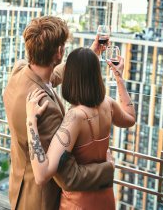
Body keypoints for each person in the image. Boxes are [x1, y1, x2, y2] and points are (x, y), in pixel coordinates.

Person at [3, 16, 114, 210]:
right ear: (60, 52)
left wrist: (91, 52)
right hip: (39, 201)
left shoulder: (19, 71)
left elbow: (51, 77)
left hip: (18, 186)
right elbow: (68, 176)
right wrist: (108, 169)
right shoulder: (46, 109)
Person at [26, 47, 136, 210]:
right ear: (96, 76)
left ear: (70, 78)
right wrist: (118, 76)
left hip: (78, 204)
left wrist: (31, 120)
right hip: (105, 198)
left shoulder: (75, 117)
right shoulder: (108, 104)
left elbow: (42, 175)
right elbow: (130, 118)